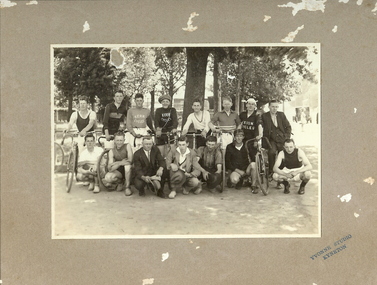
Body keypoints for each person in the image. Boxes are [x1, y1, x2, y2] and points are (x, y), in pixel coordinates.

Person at [261, 100, 292, 175]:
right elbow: (260, 125)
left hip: (282, 139)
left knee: (283, 153)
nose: (274, 109)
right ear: (269, 107)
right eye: (272, 107)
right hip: (271, 139)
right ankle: (271, 171)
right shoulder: (264, 116)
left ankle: (281, 171)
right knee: (271, 152)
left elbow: (288, 127)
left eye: (276, 107)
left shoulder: (281, 115)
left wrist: (287, 137)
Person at [239, 98, 263, 193]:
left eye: (252, 104)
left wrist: (259, 135)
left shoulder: (257, 115)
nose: (250, 106)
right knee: (243, 158)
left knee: (254, 160)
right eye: (249, 104)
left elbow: (259, 125)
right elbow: (238, 124)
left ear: (255, 106)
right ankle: (245, 177)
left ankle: (254, 183)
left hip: (253, 140)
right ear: (246, 105)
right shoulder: (243, 114)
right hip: (243, 140)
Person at [103, 131, 133, 196]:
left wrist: (116, 163)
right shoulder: (112, 151)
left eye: (121, 140)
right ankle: (120, 182)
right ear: (114, 141)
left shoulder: (127, 146)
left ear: (124, 140)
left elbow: (130, 160)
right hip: (118, 170)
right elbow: (110, 168)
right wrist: (120, 163)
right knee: (108, 177)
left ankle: (127, 187)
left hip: (129, 170)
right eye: (117, 140)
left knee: (127, 166)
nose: (119, 142)